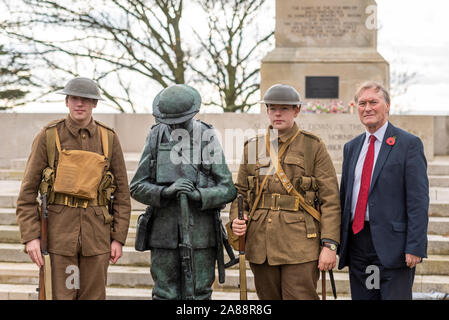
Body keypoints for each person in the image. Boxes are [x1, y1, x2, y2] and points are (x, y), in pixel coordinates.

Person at [16, 77, 131, 299]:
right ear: (67, 101)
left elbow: (123, 194)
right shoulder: (49, 136)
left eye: (86, 100)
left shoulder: (109, 138)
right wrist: (31, 237)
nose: (80, 104)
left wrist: (118, 238)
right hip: (58, 234)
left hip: (97, 235)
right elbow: (27, 193)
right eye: (75, 99)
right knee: (59, 296)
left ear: (95, 104)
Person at [229, 84, 341, 300]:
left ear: (296, 111)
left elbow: (330, 199)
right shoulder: (253, 148)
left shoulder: (312, 146)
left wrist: (329, 244)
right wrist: (237, 218)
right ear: (267, 111)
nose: (277, 113)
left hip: (300, 244)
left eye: (285, 109)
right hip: (261, 243)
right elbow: (240, 192)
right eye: (272, 108)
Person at [129, 84, 236, 300]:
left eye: (179, 120)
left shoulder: (207, 136)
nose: (174, 125)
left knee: (199, 295)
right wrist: (166, 191)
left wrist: (199, 195)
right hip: (163, 234)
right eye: (169, 121)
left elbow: (227, 189)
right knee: (164, 294)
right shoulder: (155, 136)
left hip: (201, 234)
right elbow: (137, 186)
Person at [338, 81, 429, 300]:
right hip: (359, 245)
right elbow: (345, 198)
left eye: (373, 102)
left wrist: (415, 246)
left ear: (387, 106)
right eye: (362, 103)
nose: (367, 108)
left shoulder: (408, 144)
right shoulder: (352, 147)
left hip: (394, 248)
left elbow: (418, 201)